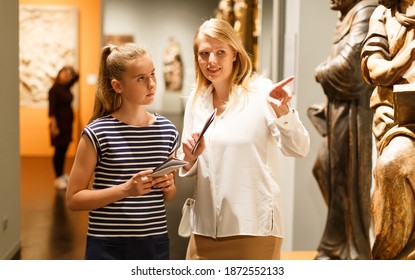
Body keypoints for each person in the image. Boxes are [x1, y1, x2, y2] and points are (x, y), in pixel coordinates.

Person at [177, 18, 310, 260]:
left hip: (253, 228)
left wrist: (283, 113)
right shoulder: (197, 101)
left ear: (234, 54)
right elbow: (187, 165)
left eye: (220, 52)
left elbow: (299, 148)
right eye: (204, 54)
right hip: (204, 229)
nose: (212, 61)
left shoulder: (261, 93)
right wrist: (188, 158)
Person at [66, 43, 179, 260]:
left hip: (155, 241)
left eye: (153, 74)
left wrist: (169, 186)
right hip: (107, 244)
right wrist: (126, 190)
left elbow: (168, 196)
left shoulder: (167, 130)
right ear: (118, 86)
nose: (152, 83)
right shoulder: (97, 133)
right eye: (141, 78)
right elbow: (73, 199)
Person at [308, 0, 377, 260]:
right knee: (325, 168)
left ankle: (352, 247)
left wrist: (320, 71)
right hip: (338, 108)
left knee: (349, 176)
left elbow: (351, 65)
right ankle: (335, 242)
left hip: (356, 111)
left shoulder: (366, 10)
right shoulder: (346, 16)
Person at [361, 0, 415, 259]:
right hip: (400, 120)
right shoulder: (383, 16)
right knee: (391, 165)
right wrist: (406, 57)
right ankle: (391, 260)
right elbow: (375, 69)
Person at [48, 65, 79, 189]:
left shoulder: (66, 88)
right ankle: (57, 177)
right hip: (59, 125)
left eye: (68, 74)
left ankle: (61, 175)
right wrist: (54, 126)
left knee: (64, 150)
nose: (67, 75)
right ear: (59, 73)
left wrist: (70, 68)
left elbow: (77, 76)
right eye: (64, 73)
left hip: (67, 125)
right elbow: (52, 110)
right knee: (58, 151)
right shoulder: (54, 89)